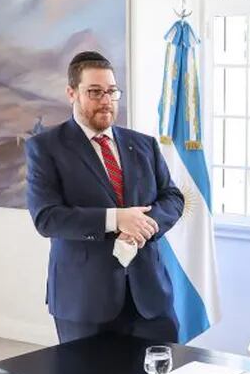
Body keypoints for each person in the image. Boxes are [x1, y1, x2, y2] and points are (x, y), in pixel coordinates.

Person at [26, 51, 184, 343]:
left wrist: (144, 225)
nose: (106, 100)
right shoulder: (45, 148)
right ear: (71, 93)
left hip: (150, 297)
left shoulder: (144, 144)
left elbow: (172, 197)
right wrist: (116, 219)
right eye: (95, 92)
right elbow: (46, 218)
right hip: (84, 301)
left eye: (112, 91)